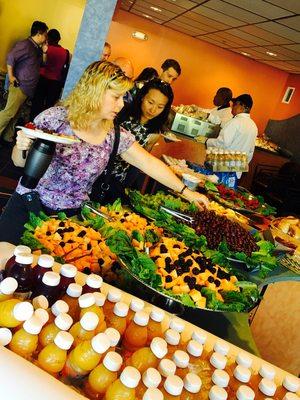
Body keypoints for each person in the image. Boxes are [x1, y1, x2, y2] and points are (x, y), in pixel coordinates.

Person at [0, 61, 209, 244]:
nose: (122, 104)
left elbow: (149, 163)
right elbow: (18, 162)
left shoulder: (115, 134)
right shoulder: (54, 119)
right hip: (28, 205)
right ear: (95, 91)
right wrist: (21, 145)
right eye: (116, 97)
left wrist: (188, 193)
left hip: (68, 220)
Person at [110, 78, 174, 186]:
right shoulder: (121, 113)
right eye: (150, 102)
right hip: (99, 170)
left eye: (160, 107)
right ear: (142, 97)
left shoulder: (155, 132)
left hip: (119, 181)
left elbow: (140, 163)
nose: (153, 110)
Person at [0, 21, 48, 143]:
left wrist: (44, 52)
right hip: (19, 86)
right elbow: (11, 57)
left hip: (27, 88)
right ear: (39, 34)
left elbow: (43, 64)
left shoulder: (36, 48)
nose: (46, 37)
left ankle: (7, 137)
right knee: (9, 113)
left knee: (15, 115)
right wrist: (11, 76)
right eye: (45, 34)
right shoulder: (25, 44)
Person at [206, 94, 258, 174]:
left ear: (243, 107)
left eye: (234, 105)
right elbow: (251, 151)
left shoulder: (235, 122)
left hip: (223, 165)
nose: (232, 107)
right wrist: (239, 164)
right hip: (238, 167)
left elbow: (222, 143)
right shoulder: (253, 126)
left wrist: (207, 141)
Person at [30, 29, 70, 119]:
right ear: (59, 39)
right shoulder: (66, 52)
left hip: (42, 80)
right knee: (49, 108)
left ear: (48, 38)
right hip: (56, 83)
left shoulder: (45, 49)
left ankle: (32, 123)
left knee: (36, 105)